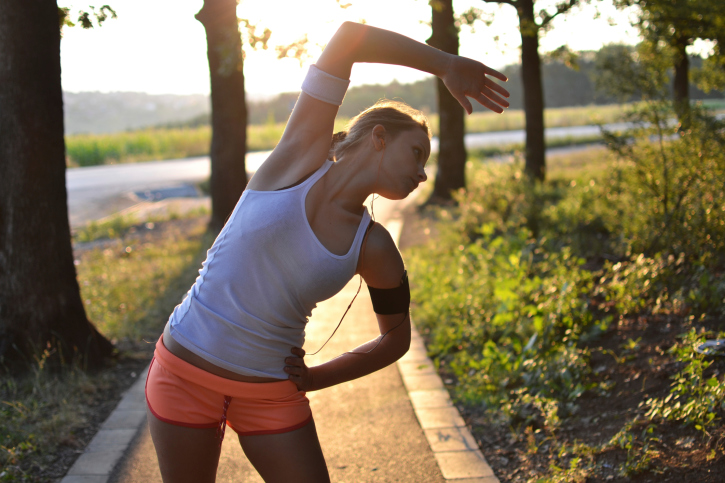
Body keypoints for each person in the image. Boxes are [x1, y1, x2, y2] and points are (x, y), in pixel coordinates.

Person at [144, 21, 509, 483]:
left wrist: (316, 377)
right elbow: (349, 38)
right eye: (417, 153)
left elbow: (395, 340)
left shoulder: (374, 246)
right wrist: (445, 65)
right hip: (184, 374)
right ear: (378, 136)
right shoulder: (297, 159)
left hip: (270, 395)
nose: (421, 174)